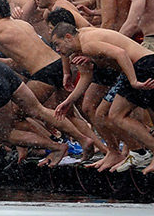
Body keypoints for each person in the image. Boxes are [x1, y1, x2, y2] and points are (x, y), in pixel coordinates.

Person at [51, 23, 154, 174]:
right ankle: (136, 152)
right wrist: (68, 101)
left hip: (142, 65)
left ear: (68, 37)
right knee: (112, 115)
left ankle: (140, 152)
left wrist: (133, 81)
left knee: (116, 115)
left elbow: (121, 53)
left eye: (57, 44)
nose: (57, 50)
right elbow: (86, 77)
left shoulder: (87, 45)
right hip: (143, 64)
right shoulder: (81, 43)